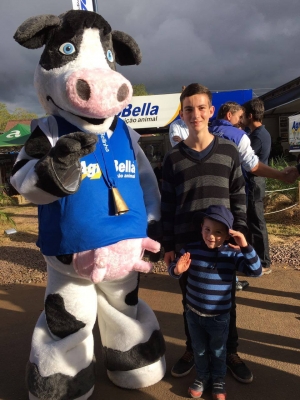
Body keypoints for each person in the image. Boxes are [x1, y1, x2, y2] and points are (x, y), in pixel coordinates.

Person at [161, 83, 250, 384]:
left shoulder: (228, 151)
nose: (195, 114)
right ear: (182, 114)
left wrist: (241, 236)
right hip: (188, 247)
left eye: (201, 108)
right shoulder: (173, 159)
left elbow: (239, 197)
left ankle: (231, 353)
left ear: (211, 111)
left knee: (226, 301)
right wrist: (168, 245)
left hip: (223, 247)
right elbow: (167, 205)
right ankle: (192, 349)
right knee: (190, 302)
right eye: (188, 109)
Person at [168, 205, 262, 399]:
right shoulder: (190, 249)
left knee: (219, 350)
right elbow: (173, 270)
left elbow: (256, 271)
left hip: (219, 317)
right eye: (208, 229)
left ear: (228, 235)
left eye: (219, 232)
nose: (212, 236)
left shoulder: (232, 253)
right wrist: (177, 270)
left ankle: (219, 380)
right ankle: (202, 377)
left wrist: (244, 245)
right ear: (201, 227)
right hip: (193, 313)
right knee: (199, 349)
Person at [242, 98, 272, 274]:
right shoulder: (260, 133)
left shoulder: (258, 136)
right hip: (255, 182)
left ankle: (264, 261)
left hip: (255, 182)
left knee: (257, 222)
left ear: (250, 116)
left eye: (244, 116)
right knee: (253, 220)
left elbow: (248, 160)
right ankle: (258, 259)